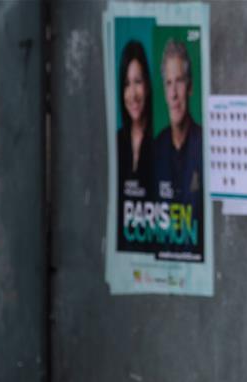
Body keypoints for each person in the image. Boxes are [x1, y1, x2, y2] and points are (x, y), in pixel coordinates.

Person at [154, 38, 204, 260]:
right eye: (168, 83)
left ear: (190, 87)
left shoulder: (205, 144)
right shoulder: (155, 149)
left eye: (180, 82)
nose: (174, 94)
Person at [116, 40, 154, 253]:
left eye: (137, 82)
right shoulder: (117, 142)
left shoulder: (160, 142)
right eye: (126, 84)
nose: (133, 94)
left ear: (147, 86)